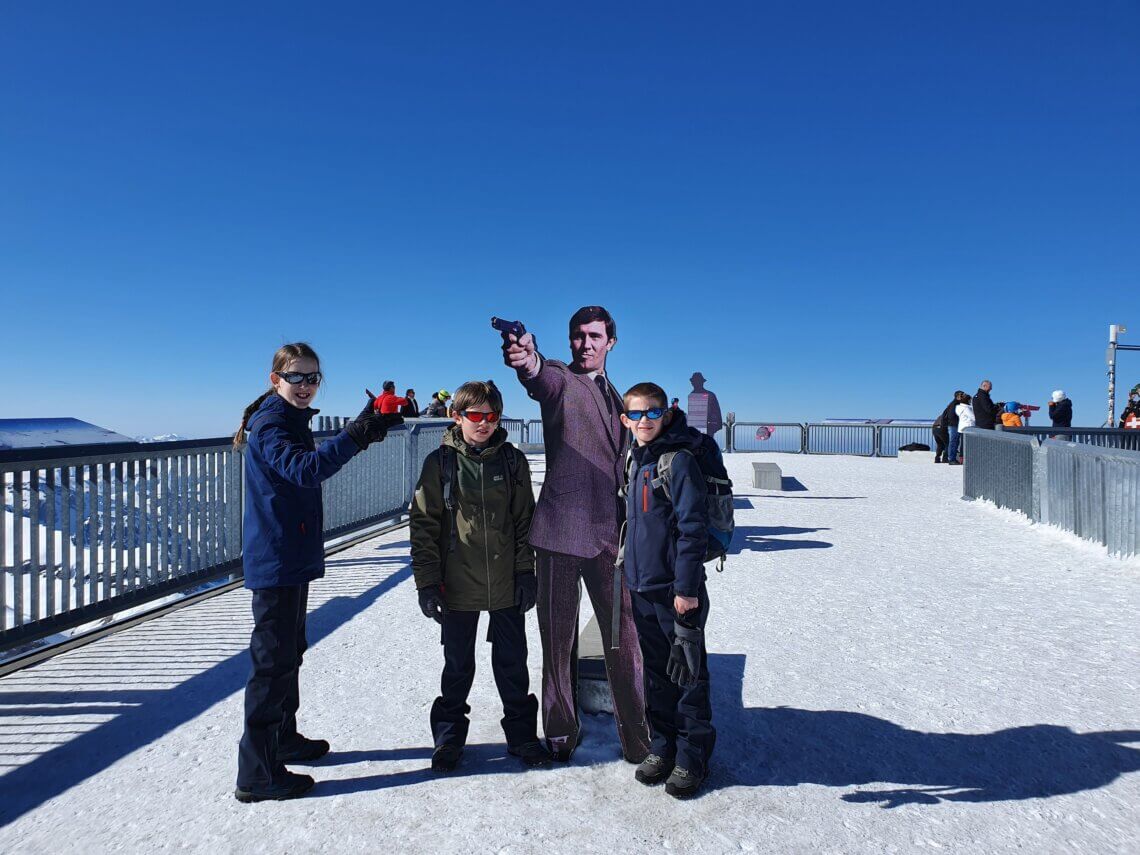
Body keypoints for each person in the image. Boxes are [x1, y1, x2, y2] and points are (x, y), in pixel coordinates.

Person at [232, 343, 401, 803]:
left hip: (289, 554)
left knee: (289, 653)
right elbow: (305, 470)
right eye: (297, 377)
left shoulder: (287, 419)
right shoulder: (271, 423)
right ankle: (257, 772)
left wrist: (368, 420)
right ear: (275, 379)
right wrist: (358, 434)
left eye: (313, 378)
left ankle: (282, 739)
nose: (305, 386)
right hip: (276, 558)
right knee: (271, 664)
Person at [501, 305, 651, 763]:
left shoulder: (621, 397)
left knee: (624, 641)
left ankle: (638, 738)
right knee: (558, 643)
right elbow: (538, 376)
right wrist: (526, 359)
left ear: (611, 342)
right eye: (577, 336)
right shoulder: (562, 380)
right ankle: (561, 731)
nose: (584, 344)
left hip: (611, 539)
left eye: (593, 336)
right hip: (560, 537)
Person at [410, 380, 551, 772]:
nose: (484, 423)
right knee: (457, 666)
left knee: (512, 663)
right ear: (457, 416)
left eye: (492, 416)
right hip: (456, 584)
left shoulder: (512, 461)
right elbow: (424, 525)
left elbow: (525, 520)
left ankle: (522, 737)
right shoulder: (440, 464)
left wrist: (526, 572)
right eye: (475, 416)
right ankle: (449, 738)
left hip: (506, 581)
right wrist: (426, 582)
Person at [619, 382, 715, 799]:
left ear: (666, 415)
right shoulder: (635, 461)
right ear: (625, 420)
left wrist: (687, 590)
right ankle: (663, 746)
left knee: (689, 675)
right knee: (657, 675)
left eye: (652, 413)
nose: (644, 421)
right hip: (641, 587)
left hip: (677, 592)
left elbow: (693, 530)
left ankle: (693, 755)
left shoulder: (677, 462)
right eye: (636, 415)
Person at [951, 393, 974, 465]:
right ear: (967, 400)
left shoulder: (958, 407)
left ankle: (961, 459)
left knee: (962, 445)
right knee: (967, 445)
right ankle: (965, 459)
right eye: (970, 400)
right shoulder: (966, 408)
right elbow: (973, 417)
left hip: (962, 427)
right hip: (968, 428)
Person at [942, 391, 964, 465]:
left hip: (954, 425)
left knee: (955, 442)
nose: (963, 397)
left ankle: (952, 459)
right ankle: (952, 459)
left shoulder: (954, 404)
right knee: (953, 442)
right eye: (962, 395)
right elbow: (952, 416)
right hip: (954, 425)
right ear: (958, 396)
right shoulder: (955, 404)